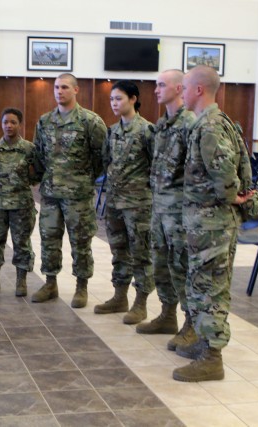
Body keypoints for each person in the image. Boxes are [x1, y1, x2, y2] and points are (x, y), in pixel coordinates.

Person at [173, 65, 253, 382]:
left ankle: (212, 357)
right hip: (204, 226)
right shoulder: (209, 123)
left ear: (198, 90)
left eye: (185, 86)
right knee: (201, 287)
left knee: (210, 292)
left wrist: (233, 196)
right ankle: (205, 344)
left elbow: (225, 178)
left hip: (214, 227)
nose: (181, 91)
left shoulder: (210, 127)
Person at [32, 73, 107, 308]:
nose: (59, 91)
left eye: (64, 87)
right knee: (48, 239)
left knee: (81, 241)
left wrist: (84, 178)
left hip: (79, 195)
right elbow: (39, 154)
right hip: (51, 194)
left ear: (76, 90)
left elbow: (101, 158)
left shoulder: (90, 121)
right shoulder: (44, 121)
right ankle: (50, 282)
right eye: (56, 87)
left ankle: (81, 286)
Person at [135, 70, 197, 349]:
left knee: (180, 267)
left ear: (179, 88)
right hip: (159, 208)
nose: (156, 90)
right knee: (161, 265)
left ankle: (191, 324)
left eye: (161, 85)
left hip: (179, 212)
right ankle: (168, 315)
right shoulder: (162, 124)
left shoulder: (189, 124)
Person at [95, 80, 155, 325]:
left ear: (133, 99)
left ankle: (140, 303)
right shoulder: (112, 131)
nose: (114, 103)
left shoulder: (147, 131)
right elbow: (107, 162)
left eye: (118, 98)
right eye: (111, 99)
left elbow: (155, 167)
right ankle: (120, 296)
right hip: (115, 203)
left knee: (140, 254)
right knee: (119, 251)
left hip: (139, 204)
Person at [0, 107, 38, 296]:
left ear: (20, 124)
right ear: (1, 124)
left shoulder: (29, 149)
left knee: (22, 242)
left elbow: (40, 170)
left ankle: (21, 281)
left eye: (13, 122)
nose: (8, 126)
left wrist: (29, 183)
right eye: (5, 122)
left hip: (22, 205)